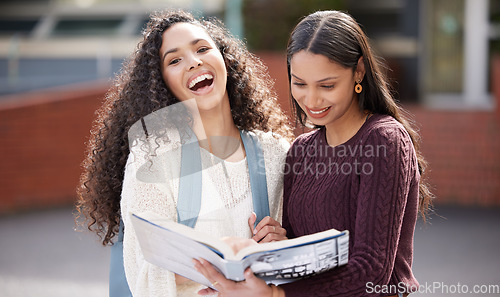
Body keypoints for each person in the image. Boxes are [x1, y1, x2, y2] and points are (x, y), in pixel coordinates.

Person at [194, 10, 433, 297]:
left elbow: (371, 270)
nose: (312, 100)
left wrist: (274, 295)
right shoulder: (301, 151)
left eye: (327, 85)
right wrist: (280, 242)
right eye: (300, 84)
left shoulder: (384, 140)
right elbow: (307, 258)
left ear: (359, 71)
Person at [75, 9, 292, 297]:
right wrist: (226, 254)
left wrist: (283, 243)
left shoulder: (275, 152)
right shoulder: (154, 159)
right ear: (162, 83)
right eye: (175, 60)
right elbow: (144, 265)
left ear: (225, 59)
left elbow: (301, 261)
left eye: (202, 48)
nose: (194, 61)